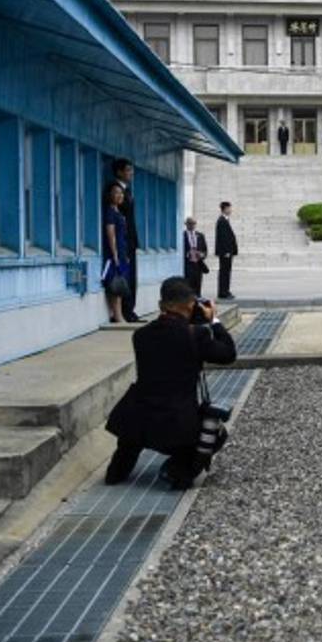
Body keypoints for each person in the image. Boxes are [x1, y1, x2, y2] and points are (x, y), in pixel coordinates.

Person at [104, 277, 237, 489]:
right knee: (216, 433)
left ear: (162, 304)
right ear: (189, 305)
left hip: (137, 418)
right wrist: (214, 321)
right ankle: (176, 471)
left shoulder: (141, 335)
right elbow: (228, 354)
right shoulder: (196, 335)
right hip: (177, 425)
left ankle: (116, 472)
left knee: (128, 444)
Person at [111, 159, 142, 322]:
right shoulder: (114, 190)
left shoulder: (128, 190)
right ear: (119, 172)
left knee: (132, 276)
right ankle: (125, 311)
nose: (131, 173)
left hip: (130, 239)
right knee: (125, 276)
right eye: (128, 170)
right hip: (122, 240)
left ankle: (130, 310)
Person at [102, 183, 129, 324]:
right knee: (114, 284)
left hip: (123, 252)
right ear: (110, 195)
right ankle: (117, 315)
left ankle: (119, 314)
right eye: (116, 192)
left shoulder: (119, 212)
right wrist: (115, 255)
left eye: (122, 193)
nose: (120, 195)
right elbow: (110, 234)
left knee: (121, 283)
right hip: (114, 254)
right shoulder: (110, 212)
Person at [215, 201, 238, 300]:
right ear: (224, 209)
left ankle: (225, 291)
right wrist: (227, 251)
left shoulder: (225, 220)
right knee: (224, 272)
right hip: (225, 253)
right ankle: (223, 292)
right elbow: (223, 238)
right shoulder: (221, 221)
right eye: (229, 208)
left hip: (228, 252)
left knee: (226, 272)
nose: (230, 210)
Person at [182, 217, 208, 296]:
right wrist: (187, 254)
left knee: (198, 281)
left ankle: (198, 297)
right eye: (190, 223)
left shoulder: (200, 235)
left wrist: (202, 255)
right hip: (188, 263)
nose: (192, 225)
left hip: (198, 263)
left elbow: (205, 249)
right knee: (188, 282)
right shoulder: (182, 235)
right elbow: (181, 250)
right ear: (186, 224)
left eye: (193, 224)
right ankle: (189, 297)